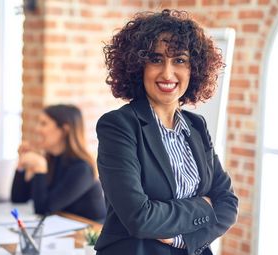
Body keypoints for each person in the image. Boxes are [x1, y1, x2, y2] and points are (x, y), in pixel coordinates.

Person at [95, 9, 238, 255]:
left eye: (179, 60)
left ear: (194, 69)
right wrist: (204, 206)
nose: (167, 73)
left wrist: (183, 240)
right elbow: (140, 217)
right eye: (156, 59)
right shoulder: (118, 126)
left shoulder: (197, 126)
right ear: (138, 65)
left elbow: (228, 204)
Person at [11, 104, 106, 222]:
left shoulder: (82, 168)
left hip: (91, 233)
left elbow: (43, 209)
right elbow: (18, 198)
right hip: (65, 226)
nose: (37, 129)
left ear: (64, 130)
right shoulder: (50, 159)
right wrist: (22, 164)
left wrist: (40, 169)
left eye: (43, 124)